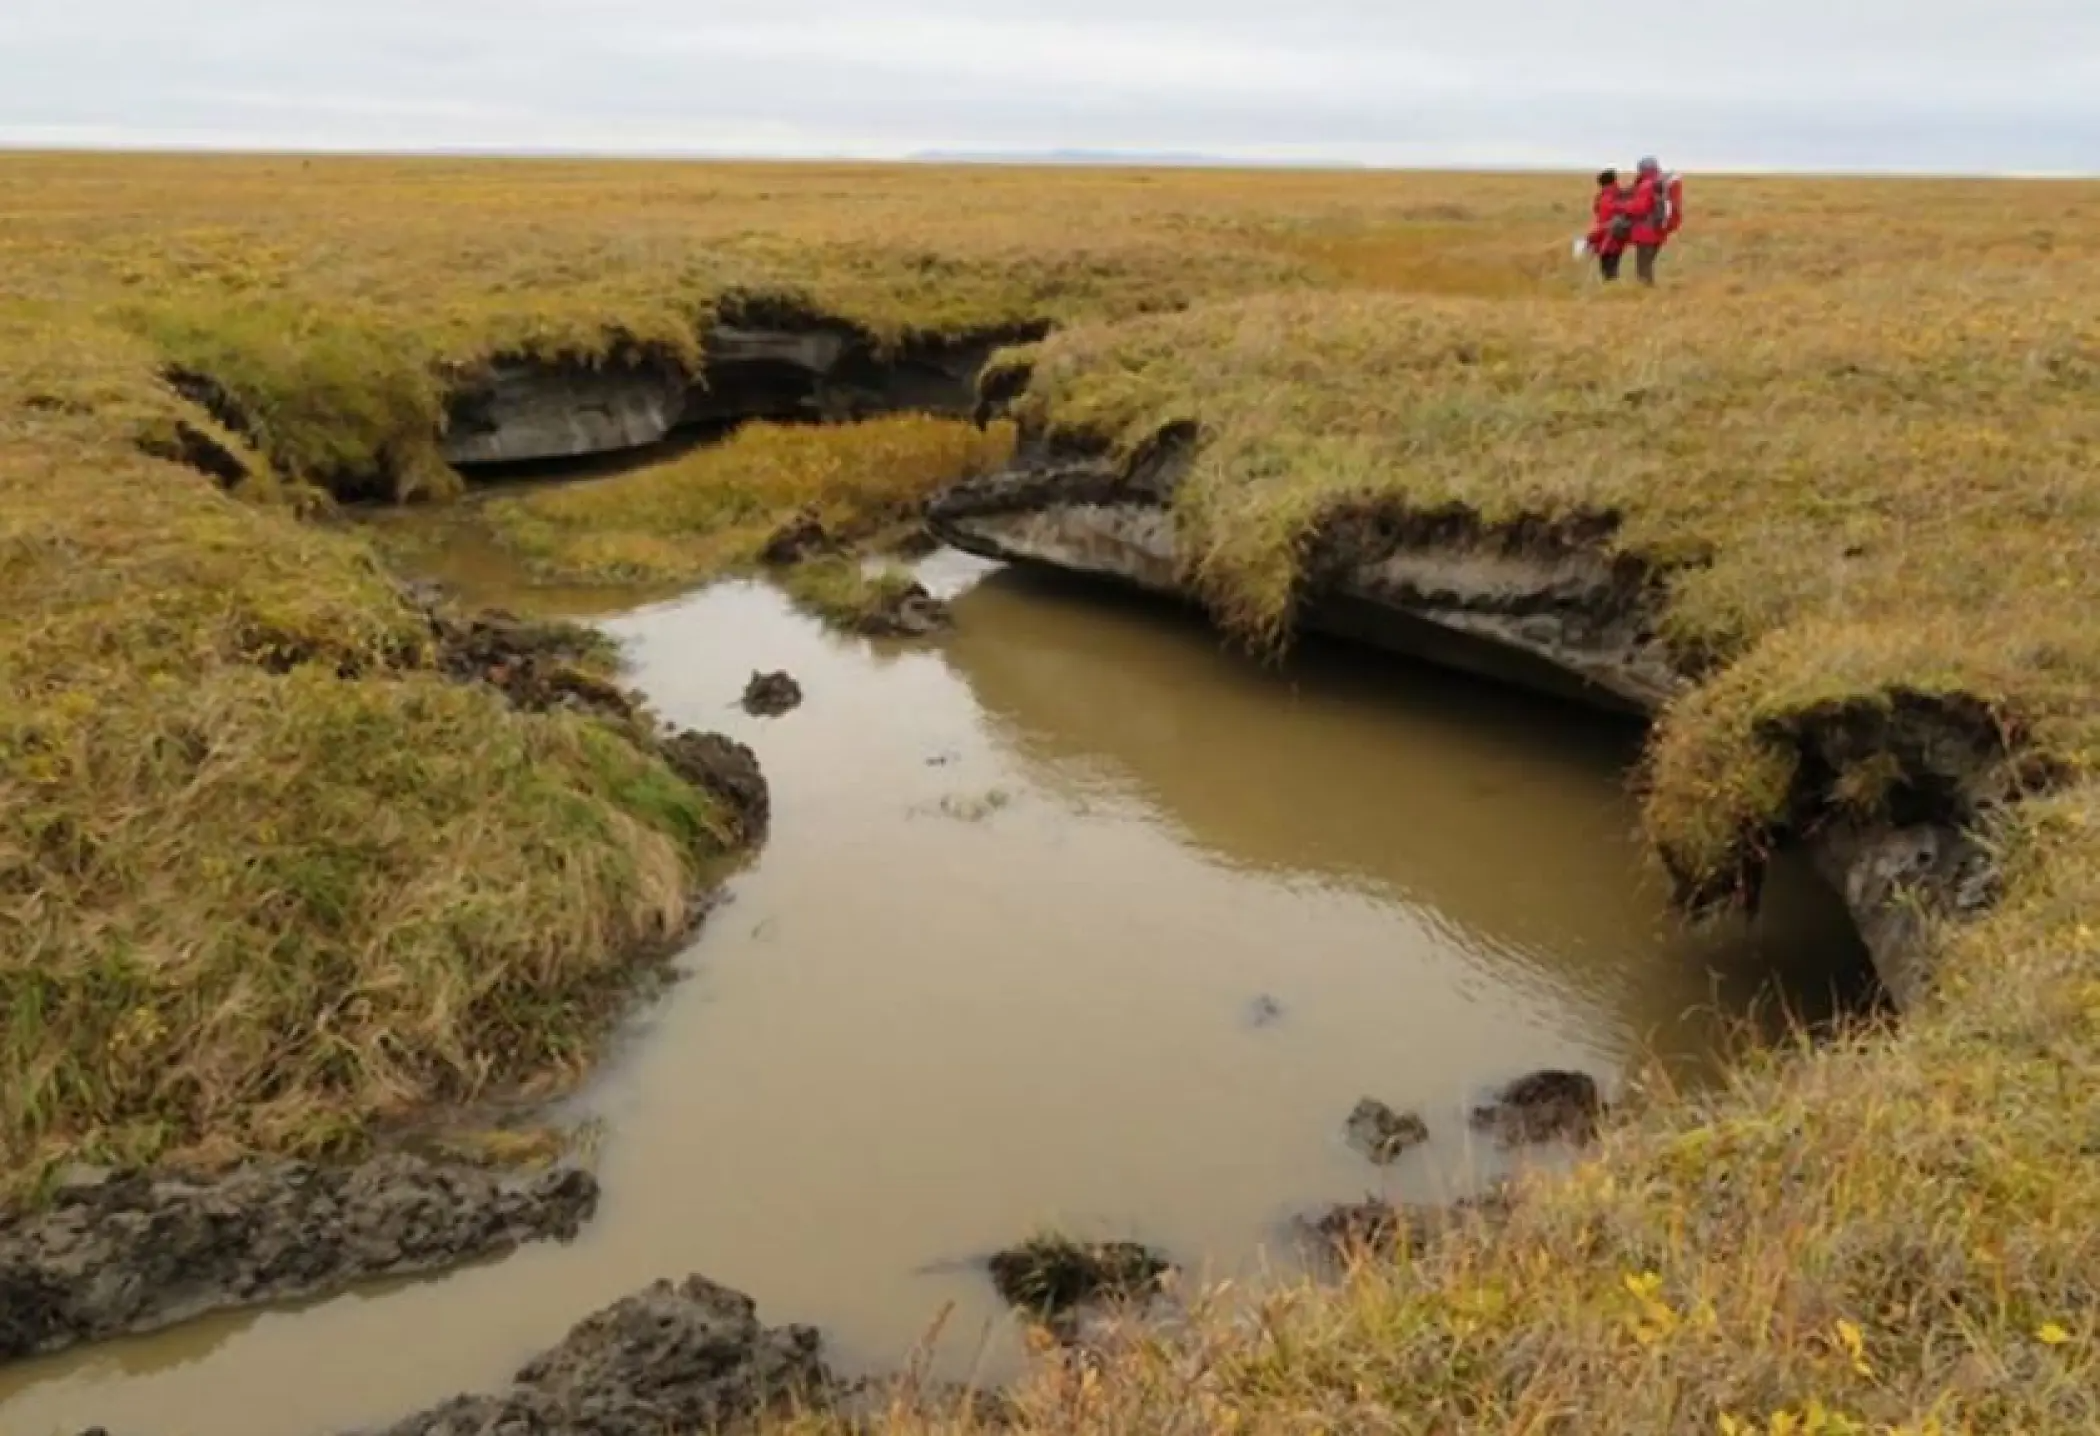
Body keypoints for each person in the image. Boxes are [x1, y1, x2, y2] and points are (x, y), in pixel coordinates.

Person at [1621, 156, 1681, 286]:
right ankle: (1648, 291)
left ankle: (1645, 291)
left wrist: (1624, 207)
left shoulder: (1647, 185)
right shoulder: (1660, 183)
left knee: (1643, 267)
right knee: (1648, 264)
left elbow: (1640, 208)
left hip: (1645, 232)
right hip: (1658, 231)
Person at [1586, 168, 1632, 281]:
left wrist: (1592, 237)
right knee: (1613, 263)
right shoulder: (1618, 195)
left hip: (1606, 235)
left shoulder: (1604, 197)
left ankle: (1611, 284)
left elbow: (1602, 216)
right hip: (1616, 235)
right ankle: (1612, 284)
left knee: (1607, 265)